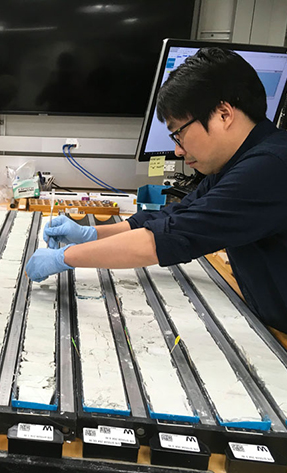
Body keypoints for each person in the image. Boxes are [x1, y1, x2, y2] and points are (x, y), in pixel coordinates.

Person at [26, 47, 287, 334]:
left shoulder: (271, 168)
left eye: (179, 132)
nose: (177, 149)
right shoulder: (240, 161)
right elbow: (177, 214)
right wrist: (92, 234)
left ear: (224, 114)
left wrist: (67, 257)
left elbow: (170, 237)